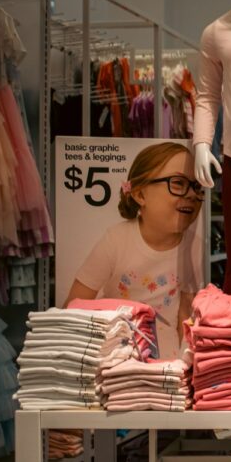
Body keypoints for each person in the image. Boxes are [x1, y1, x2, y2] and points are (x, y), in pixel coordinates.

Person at [65, 142, 204, 359]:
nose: (192, 195)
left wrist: (184, 366)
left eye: (197, 187)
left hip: (164, 361)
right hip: (114, 355)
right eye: (177, 183)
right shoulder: (116, 240)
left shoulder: (194, 245)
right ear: (140, 194)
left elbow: (185, 314)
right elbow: (73, 307)